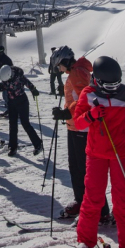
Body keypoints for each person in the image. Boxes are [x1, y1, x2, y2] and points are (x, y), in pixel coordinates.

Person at [73, 56, 125, 248]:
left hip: (121, 152)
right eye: (109, 86)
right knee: (93, 198)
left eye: (116, 85)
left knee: (123, 200)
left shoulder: (124, 92)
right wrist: (91, 115)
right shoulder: (87, 94)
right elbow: (78, 122)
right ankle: (85, 240)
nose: (114, 89)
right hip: (96, 153)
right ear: (97, 80)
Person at [51, 46, 107, 221]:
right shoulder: (74, 73)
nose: (58, 69)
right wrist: (66, 95)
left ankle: (101, 211)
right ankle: (81, 201)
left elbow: (86, 98)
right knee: (75, 168)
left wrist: (67, 112)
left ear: (64, 61)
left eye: (58, 65)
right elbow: (77, 96)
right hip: (75, 126)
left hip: (82, 126)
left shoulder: (77, 73)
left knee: (85, 170)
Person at [0, 65, 43, 157]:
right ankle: (13, 147)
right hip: (11, 102)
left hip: (22, 101)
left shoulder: (18, 76)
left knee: (25, 123)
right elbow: (6, 86)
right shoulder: (5, 76)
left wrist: (33, 89)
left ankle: (38, 144)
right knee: (12, 124)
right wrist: (1, 86)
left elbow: (27, 82)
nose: (5, 81)